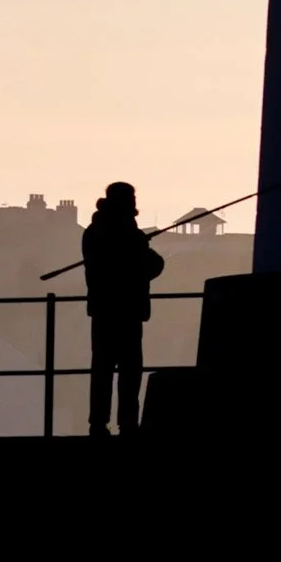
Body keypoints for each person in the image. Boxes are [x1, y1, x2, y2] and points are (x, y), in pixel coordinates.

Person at [80, 180, 163, 437]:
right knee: (130, 371)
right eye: (133, 198)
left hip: (104, 310)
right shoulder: (131, 235)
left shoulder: (94, 232)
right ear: (126, 201)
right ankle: (127, 423)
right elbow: (150, 266)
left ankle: (98, 423)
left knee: (102, 369)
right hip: (127, 311)